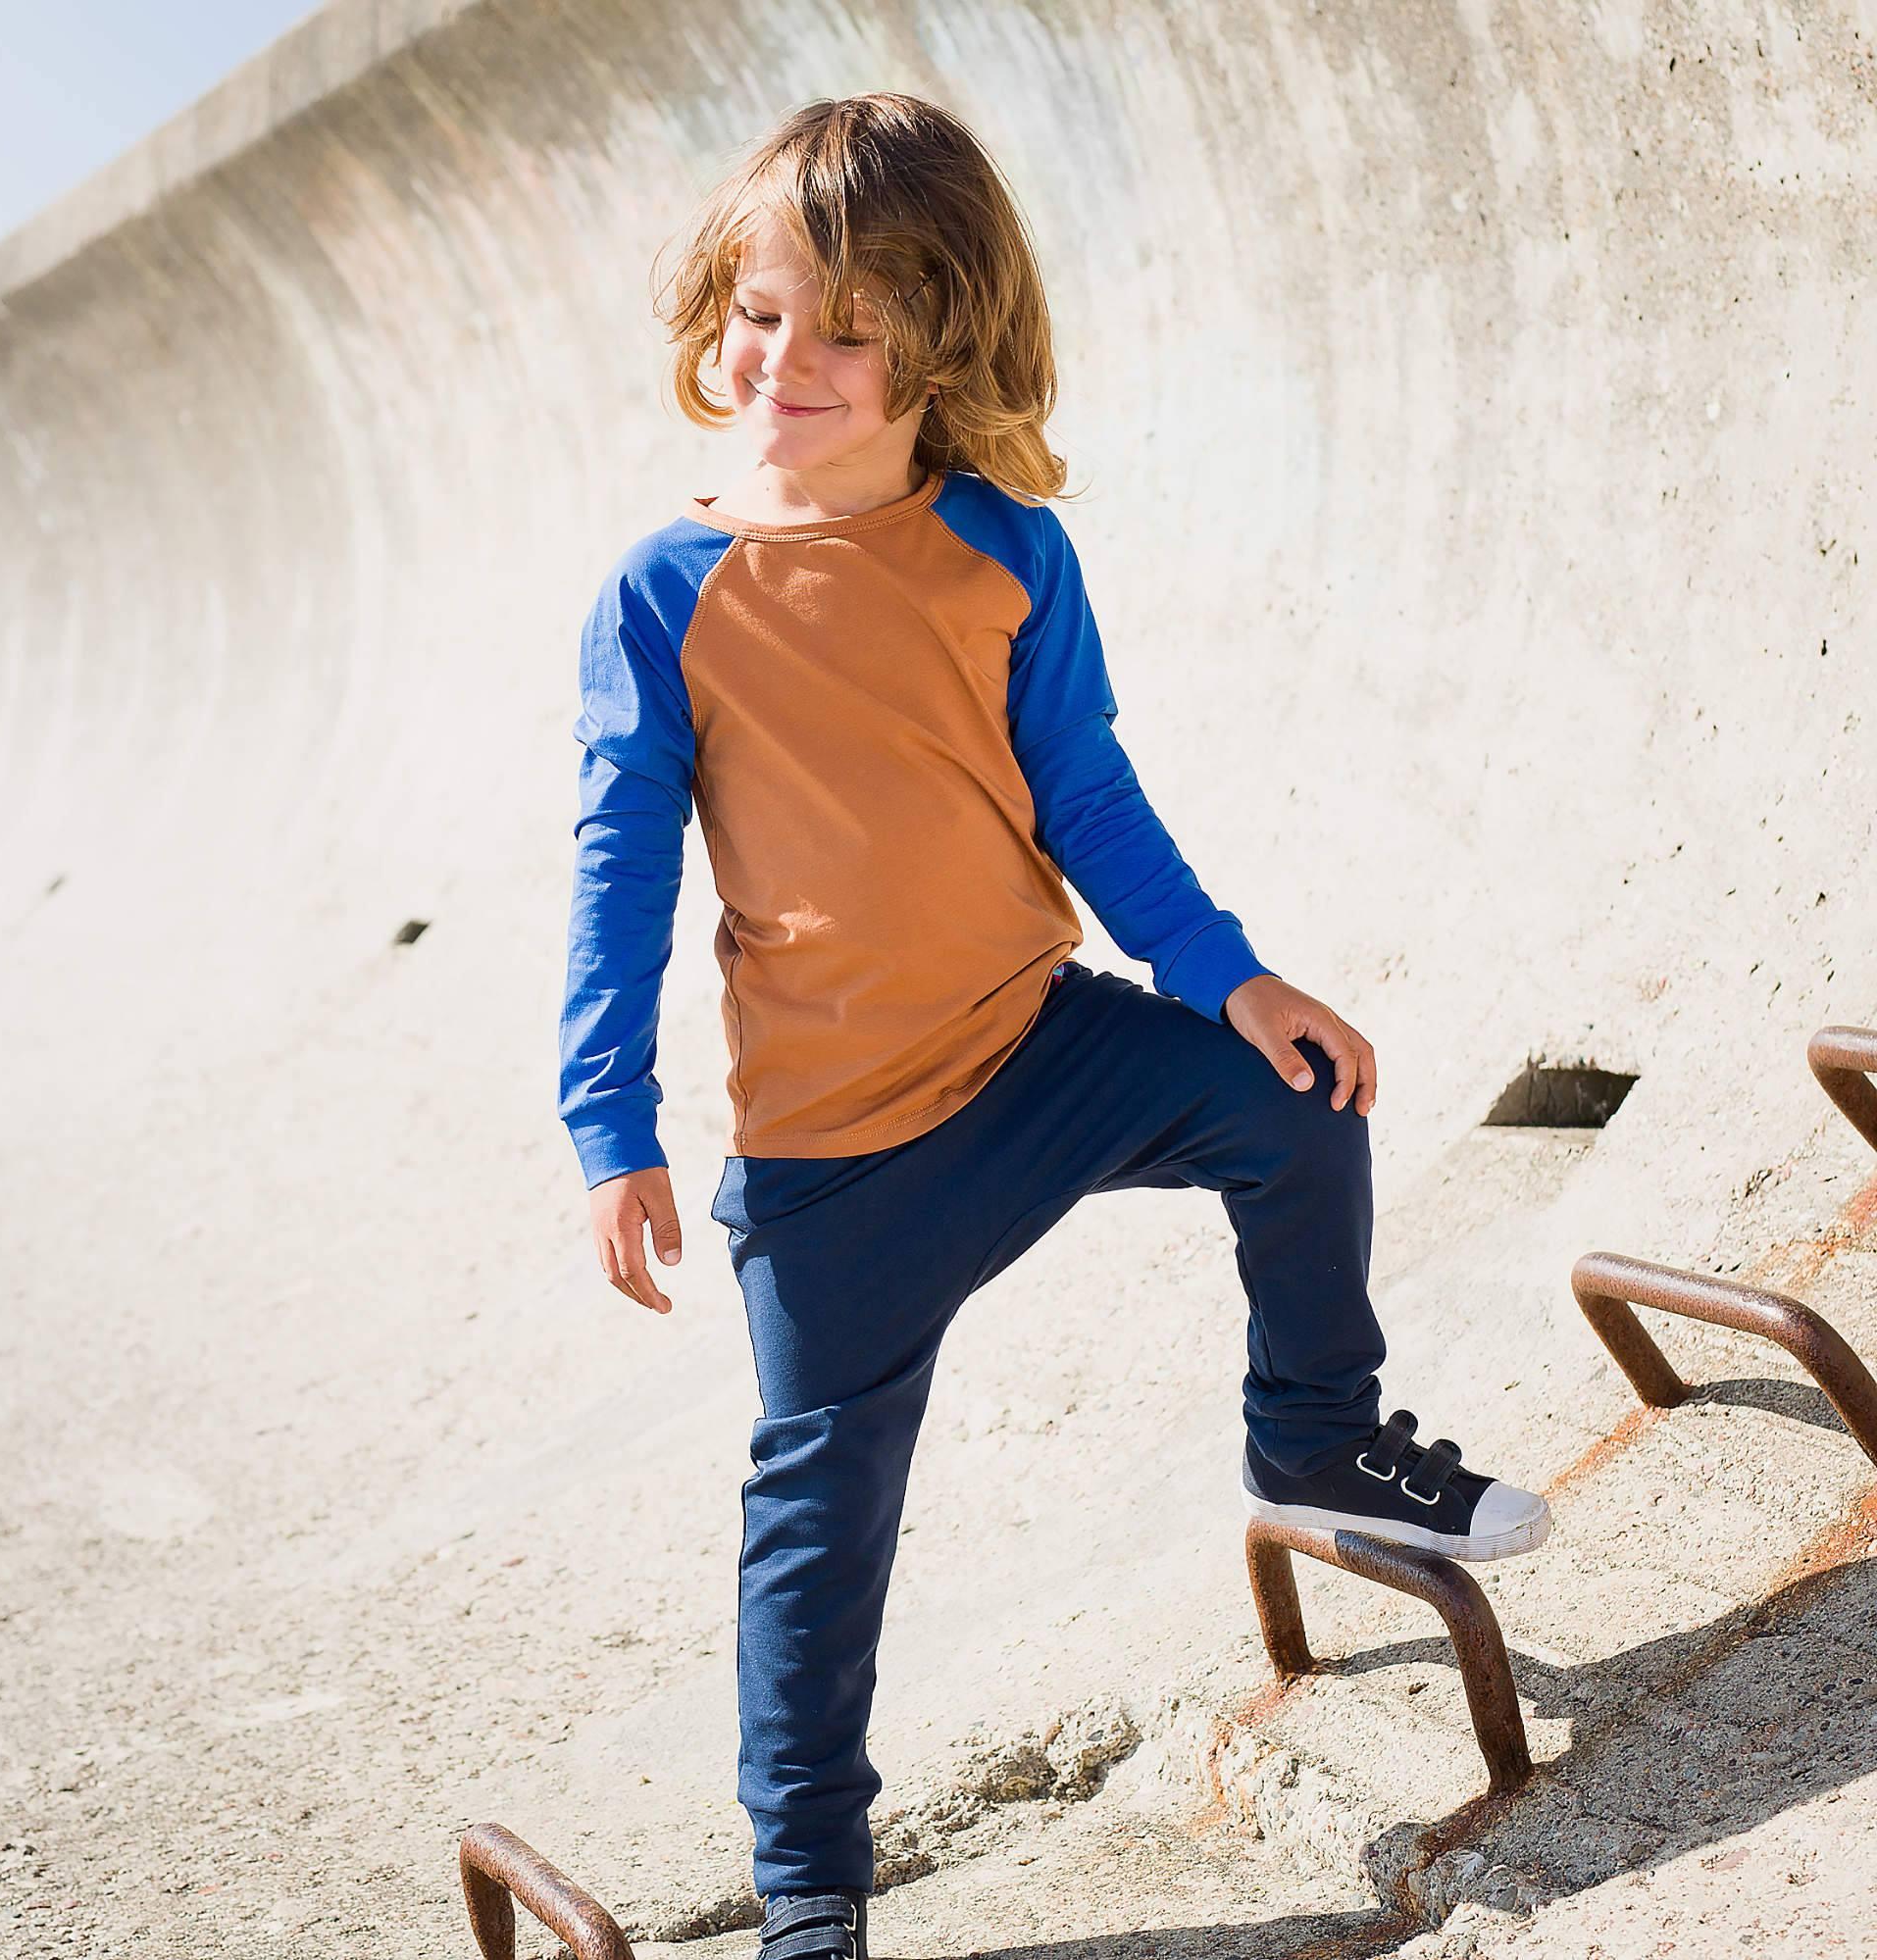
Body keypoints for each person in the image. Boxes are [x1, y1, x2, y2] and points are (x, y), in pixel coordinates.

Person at [556, 91, 1550, 1960]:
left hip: (1038, 1050)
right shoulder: (672, 591)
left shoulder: (1006, 549)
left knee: (1298, 1104)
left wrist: (1228, 976)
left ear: (938, 346)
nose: (788, 359)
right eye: (763, 310)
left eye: (846, 328)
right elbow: (616, 875)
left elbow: (1085, 798)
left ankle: (1317, 1435)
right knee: (820, 1543)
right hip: (838, 1162)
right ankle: (808, 1905)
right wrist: (609, 1129)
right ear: (718, 309)